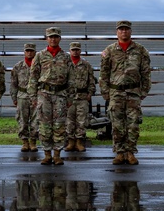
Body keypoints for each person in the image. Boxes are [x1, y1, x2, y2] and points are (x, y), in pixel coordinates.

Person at [99, 20, 152, 165]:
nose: (124, 32)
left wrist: (143, 91)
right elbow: (104, 73)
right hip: (116, 93)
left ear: (131, 31)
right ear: (117, 32)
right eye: (121, 29)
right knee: (117, 125)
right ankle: (119, 153)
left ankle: (130, 152)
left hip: (133, 92)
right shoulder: (109, 51)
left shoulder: (140, 50)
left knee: (133, 124)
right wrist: (105, 93)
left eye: (126, 29)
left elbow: (146, 73)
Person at [28, 27, 74, 166]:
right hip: (44, 94)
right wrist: (33, 96)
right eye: (50, 37)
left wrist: (70, 97)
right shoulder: (40, 56)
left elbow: (71, 78)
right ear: (46, 38)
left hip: (60, 94)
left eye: (56, 36)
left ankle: (57, 155)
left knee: (59, 125)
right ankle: (47, 154)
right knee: (44, 125)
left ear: (60, 38)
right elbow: (33, 77)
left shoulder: (66, 57)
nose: (53, 39)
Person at [65, 41, 97, 152]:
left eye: (77, 49)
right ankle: (70, 142)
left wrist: (90, 94)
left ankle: (79, 142)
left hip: (82, 96)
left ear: (80, 51)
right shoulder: (65, 64)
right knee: (69, 120)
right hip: (69, 96)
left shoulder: (86, 65)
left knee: (81, 120)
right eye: (73, 49)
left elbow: (91, 80)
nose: (75, 51)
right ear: (69, 51)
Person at [11, 42, 40, 152]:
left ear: (35, 52)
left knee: (35, 120)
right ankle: (25, 142)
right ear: (24, 52)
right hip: (22, 96)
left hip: (35, 96)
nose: (29, 53)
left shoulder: (39, 66)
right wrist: (14, 98)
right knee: (22, 120)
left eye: (31, 51)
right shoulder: (18, 67)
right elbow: (14, 83)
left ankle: (33, 141)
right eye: (27, 51)